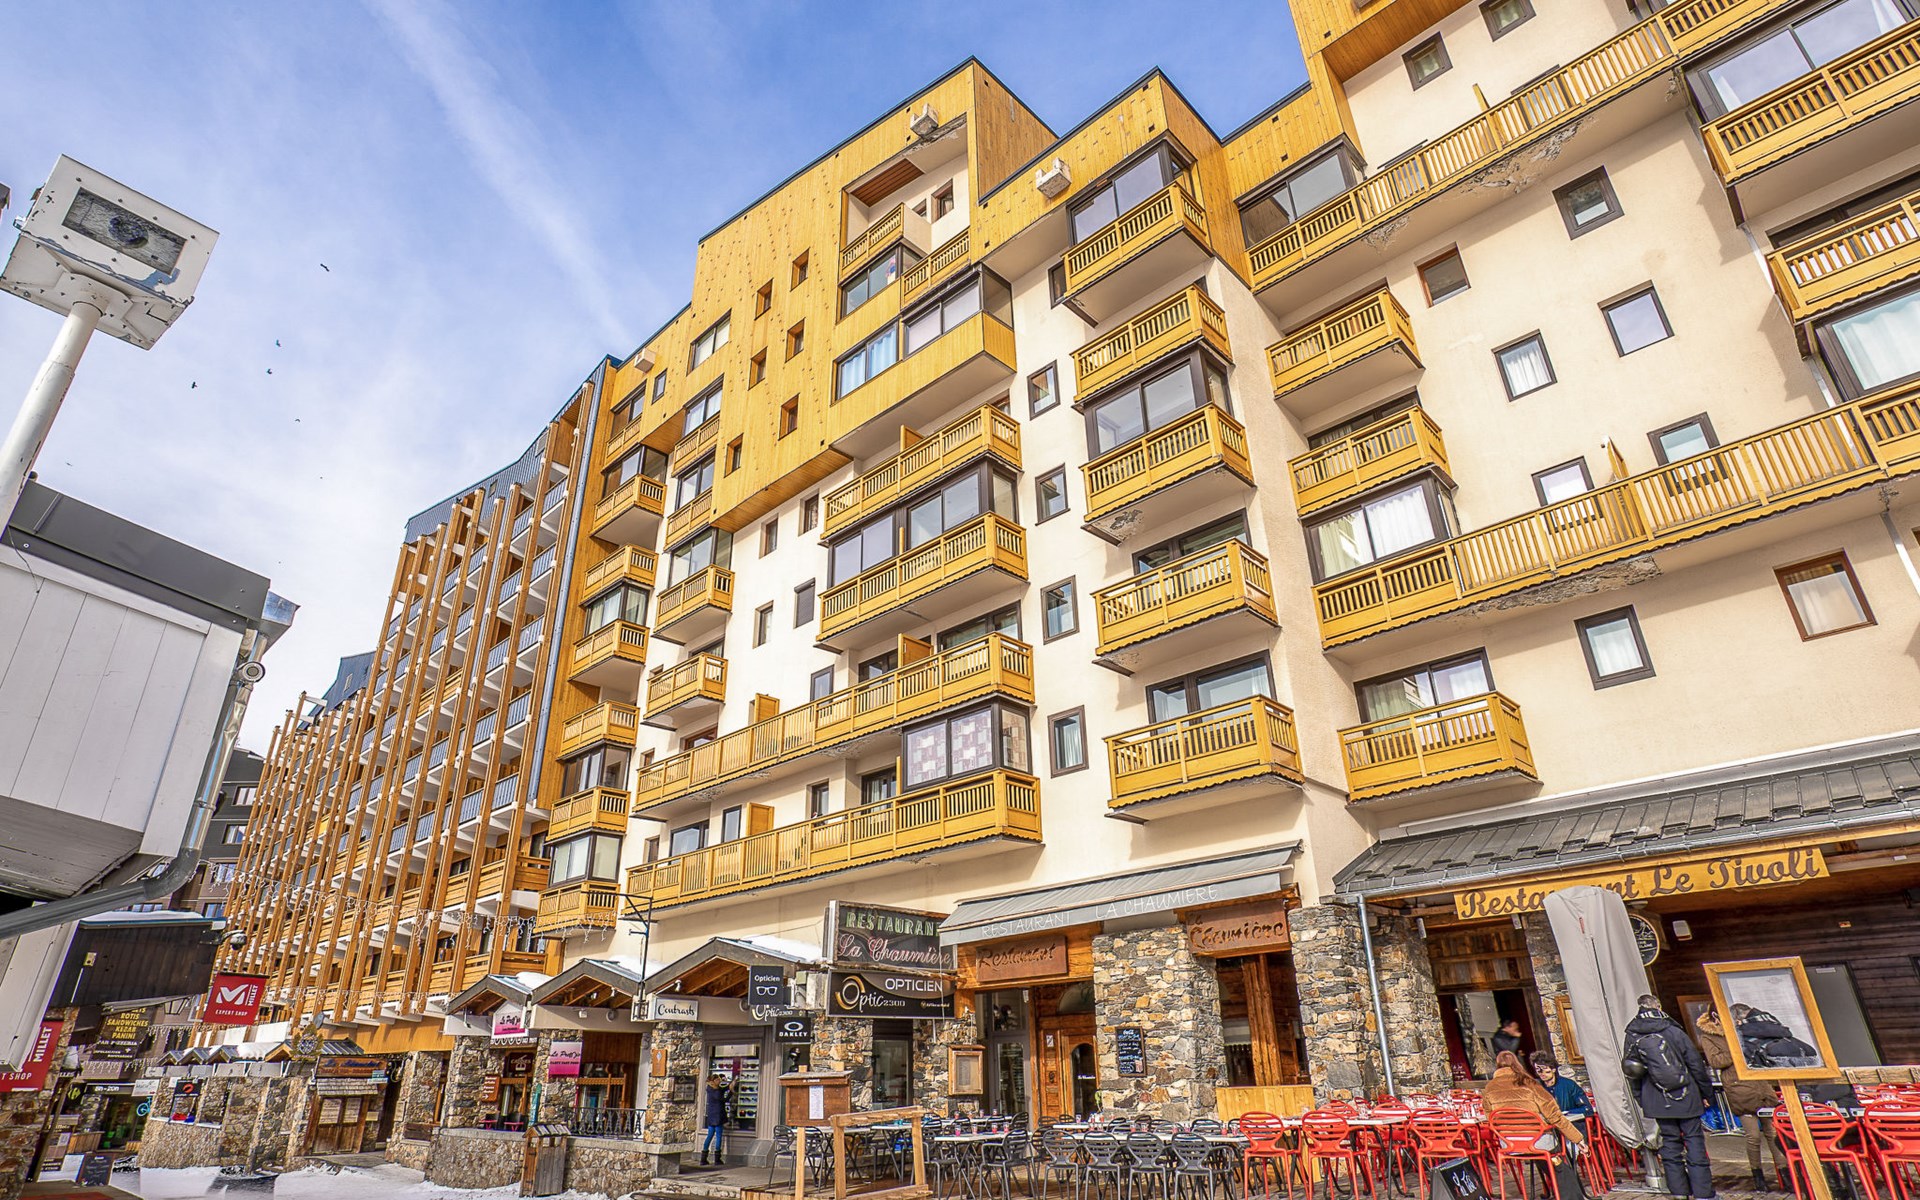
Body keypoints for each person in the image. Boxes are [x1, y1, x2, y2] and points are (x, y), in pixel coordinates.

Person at [1622, 995, 1716, 1200]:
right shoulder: (1672, 1029)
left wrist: (1641, 1099)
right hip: (1685, 1094)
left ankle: (1679, 1191)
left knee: (1670, 1144)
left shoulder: (1632, 1035)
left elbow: (1631, 1072)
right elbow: (1695, 1064)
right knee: (1694, 1141)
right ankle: (1703, 1193)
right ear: (1658, 1006)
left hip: (1656, 1098)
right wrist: (1706, 1093)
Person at [1698, 1006, 1785, 1192]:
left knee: (1773, 1133)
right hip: (1738, 1087)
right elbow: (1716, 1061)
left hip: (1760, 1085)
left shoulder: (1744, 1030)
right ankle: (1758, 1176)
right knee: (1753, 1136)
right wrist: (1737, 1049)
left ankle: (1785, 1172)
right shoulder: (1709, 1036)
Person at [1487, 1050, 1587, 1150]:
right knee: (1557, 1147)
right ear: (1517, 1064)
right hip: (1537, 1141)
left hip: (1509, 1144)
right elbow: (1554, 1115)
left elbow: (1490, 1117)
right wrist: (1577, 1139)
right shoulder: (1529, 1083)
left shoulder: (1489, 1087)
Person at [1529, 1051, 1594, 1136]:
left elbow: (1587, 1109)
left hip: (1572, 1126)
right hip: (1549, 1128)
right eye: (1539, 1071)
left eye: (1546, 1070)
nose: (1542, 1074)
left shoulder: (1568, 1085)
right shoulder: (1537, 1088)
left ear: (1553, 1069)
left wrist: (1567, 1112)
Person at [700, 1073, 731, 1167]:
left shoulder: (710, 1089)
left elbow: (723, 1089)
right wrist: (731, 1092)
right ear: (713, 1081)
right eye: (717, 1080)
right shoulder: (716, 1091)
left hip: (711, 1115)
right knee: (718, 1136)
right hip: (718, 1115)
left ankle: (703, 1158)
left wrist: (729, 1086)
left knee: (710, 1135)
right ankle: (717, 1159)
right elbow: (724, 1099)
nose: (719, 1081)